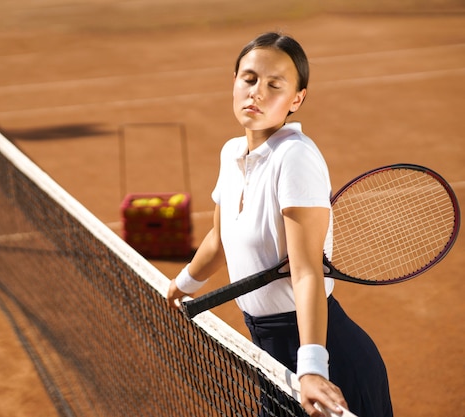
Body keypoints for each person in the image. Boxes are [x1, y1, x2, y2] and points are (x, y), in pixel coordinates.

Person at [167, 32, 393, 417]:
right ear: (234, 82)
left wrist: (311, 370)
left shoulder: (294, 158)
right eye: (249, 78)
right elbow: (220, 238)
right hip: (267, 352)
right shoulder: (232, 152)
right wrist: (181, 285)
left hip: (322, 358)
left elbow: (307, 273)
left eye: (275, 84)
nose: (257, 92)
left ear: (297, 99)